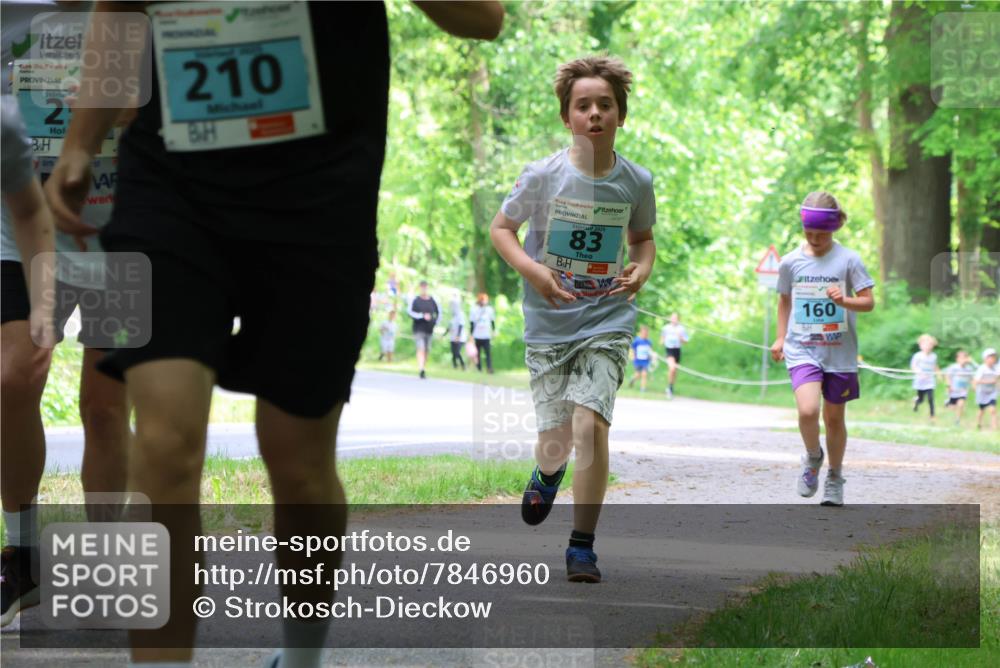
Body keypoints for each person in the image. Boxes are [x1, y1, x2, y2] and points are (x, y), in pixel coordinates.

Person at [44, 3, 503, 667]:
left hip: (320, 197)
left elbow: (482, 18)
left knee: (300, 463)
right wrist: (81, 143)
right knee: (166, 443)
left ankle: (302, 655)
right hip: (169, 184)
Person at [490, 55, 656, 583]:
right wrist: (535, 272)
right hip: (549, 324)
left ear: (620, 115)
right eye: (583, 105)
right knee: (557, 438)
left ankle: (581, 546)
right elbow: (501, 230)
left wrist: (641, 271)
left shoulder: (636, 181)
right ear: (567, 117)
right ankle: (548, 471)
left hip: (607, 318)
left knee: (591, 424)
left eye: (605, 105)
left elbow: (643, 241)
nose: (594, 114)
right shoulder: (543, 176)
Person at [1, 1, 129, 628]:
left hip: (119, 223)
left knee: (104, 406)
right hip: (17, 217)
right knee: (15, 376)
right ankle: (21, 554)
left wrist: (114, 109)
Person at [770, 191, 875, 508]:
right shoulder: (791, 262)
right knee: (807, 411)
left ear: (835, 228)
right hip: (802, 348)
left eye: (822, 233)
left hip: (840, 354)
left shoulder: (849, 260)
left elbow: (868, 302)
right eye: (809, 233)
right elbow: (785, 301)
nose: (814, 239)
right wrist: (779, 338)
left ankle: (835, 477)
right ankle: (813, 457)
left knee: (833, 419)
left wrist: (845, 301)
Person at [408, 280, 440, 379]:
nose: (424, 289)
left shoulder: (433, 301)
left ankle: (423, 367)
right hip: (418, 329)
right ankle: (421, 368)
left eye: (425, 287)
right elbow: (410, 312)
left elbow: (439, 314)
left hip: (429, 329)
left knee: (427, 349)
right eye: (422, 287)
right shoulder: (416, 300)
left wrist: (435, 322)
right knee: (420, 347)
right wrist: (422, 316)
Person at [910, 334, 940, 422]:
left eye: (930, 345)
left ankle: (932, 415)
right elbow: (913, 366)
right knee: (921, 399)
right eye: (925, 345)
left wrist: (938, 374)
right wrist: (918, 372)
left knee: (931, 398)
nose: (927, 347)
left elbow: (935, 366)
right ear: (921, 346)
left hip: (930, 381)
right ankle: (916, 402)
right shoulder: (917, 356)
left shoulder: (934, 356)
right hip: (920, 381)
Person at [659, 312, 688, 398]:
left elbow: (686, 341)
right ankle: (669, 388)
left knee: (674, 371)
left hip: (677, 350)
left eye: (675, 318)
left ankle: (670, 387)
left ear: (678, 319)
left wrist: (681, 338)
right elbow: (662, 339)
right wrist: (661, 342)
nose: (674, 319)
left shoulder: (681, 329)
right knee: (672, 368)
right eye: (672, 317)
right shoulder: (666, 328)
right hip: (669, 350)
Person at [944, 349, 976, 426]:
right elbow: (948, 376)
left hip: (963, 391)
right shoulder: (953, 367)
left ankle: (957, 420)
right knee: (952, 407)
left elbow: (972, 378)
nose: (963, 360)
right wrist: (949, 386)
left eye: (965, 358)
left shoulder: (969, 369)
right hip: (953, 391)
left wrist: (973, 386)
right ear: (957, 359)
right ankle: (948, 403)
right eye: (961, 358)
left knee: (961, 404)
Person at [469, 292, 496, 373]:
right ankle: (479, 368)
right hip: (477, 335)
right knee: (477, 353)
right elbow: (472, 323)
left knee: (488, 353)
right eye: (482, 300)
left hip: (486, 335)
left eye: (485, 300)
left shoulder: (489, 310)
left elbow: (492, 321)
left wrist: (494, 331)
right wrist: (471, 335)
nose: (483, 302)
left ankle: (489, 368)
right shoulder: (474, 309)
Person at [973, 347, 998, 431]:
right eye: (991, 357)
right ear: (986, 358)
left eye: (994, 357)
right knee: (982, 410)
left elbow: (997, 378)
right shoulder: (982, 368)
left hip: (992, 392)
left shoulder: (996, 368)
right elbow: (976, 380)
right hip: (982, 392)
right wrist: (989, 381)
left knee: (993, 410)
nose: (993, 359)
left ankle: (994, 428)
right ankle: (978, 424)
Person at [628, 325, 653, 392]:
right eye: (644, 333)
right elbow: (631, 348)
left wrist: (651, 356)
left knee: (644, 374)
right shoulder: (637, 340)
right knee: (638, 375)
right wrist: (632, 355)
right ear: (641, 333)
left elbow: (650, 351)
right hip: (638, 360)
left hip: (645, 361)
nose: (645, 334)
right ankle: (632, 379)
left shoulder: (649, 342)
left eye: (646, 333)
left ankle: (643, 388)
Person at [447, 297, 466, 370]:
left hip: (460, 338)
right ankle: (455, 366)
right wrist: (443, 335)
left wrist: (458, 336)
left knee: (457, 352)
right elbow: (449, 327)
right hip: (452, 337)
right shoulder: (452, 315)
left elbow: (461, 325)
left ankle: (463, 365)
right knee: (453, 353)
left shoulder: (460, 314)